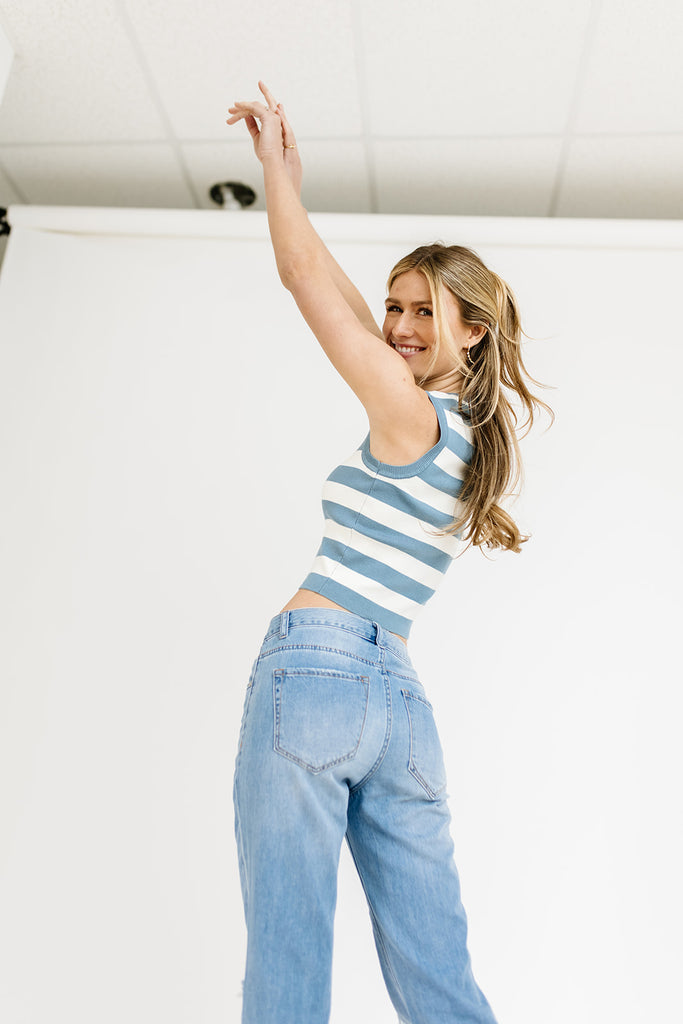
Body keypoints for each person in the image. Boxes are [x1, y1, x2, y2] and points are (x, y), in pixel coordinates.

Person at [227, 82, 551, 1024]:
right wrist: (299, 197)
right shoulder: (463, 438)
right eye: (394, 307)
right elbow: (331, 288)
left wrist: (276, 179)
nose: (400, 327)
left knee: (287, 963)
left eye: (425, 312)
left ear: (474, 330)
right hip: (400, 708)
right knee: (439, 983)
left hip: (317, 673)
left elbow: (301, 285)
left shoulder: (407, 415)